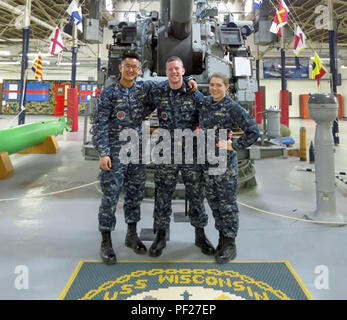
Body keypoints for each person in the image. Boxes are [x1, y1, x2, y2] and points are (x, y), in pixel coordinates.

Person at [92, 51, 197, 264]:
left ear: (139, 70)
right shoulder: (109, 93)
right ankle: (106, 241)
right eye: (127, 66)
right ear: (120, 68)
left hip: (137, 152)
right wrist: (103, 152)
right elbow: (99, 124)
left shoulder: (144, 88)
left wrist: (188, 81)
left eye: (135, 67)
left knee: (134, 194)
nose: (131, 70)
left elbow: (171, 81)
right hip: (115, 152)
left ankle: (131, 235)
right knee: (111, 196)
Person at [148, 56, 215, 258]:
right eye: (170, 69)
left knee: (195, 193)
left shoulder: (194, 93)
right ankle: (160, 236)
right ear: (166, 72)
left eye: (177, 69)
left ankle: (200, 235)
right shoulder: (159, 91)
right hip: (166, 151)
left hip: (190, 152)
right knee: (162, 194)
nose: (174, 72)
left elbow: (208, 113)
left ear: (183, 71)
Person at [199, 72, 260, 264]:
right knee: (215, 203)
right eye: (212, 85)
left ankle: (230, 243)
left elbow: (253, 131)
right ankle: (221, 239)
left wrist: (234, 145)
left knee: (227, 204)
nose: (214, 88)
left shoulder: (232, 107)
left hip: (224, 165)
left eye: (219, 85)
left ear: (227, 87)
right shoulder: (206, 104)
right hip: (208, 163)